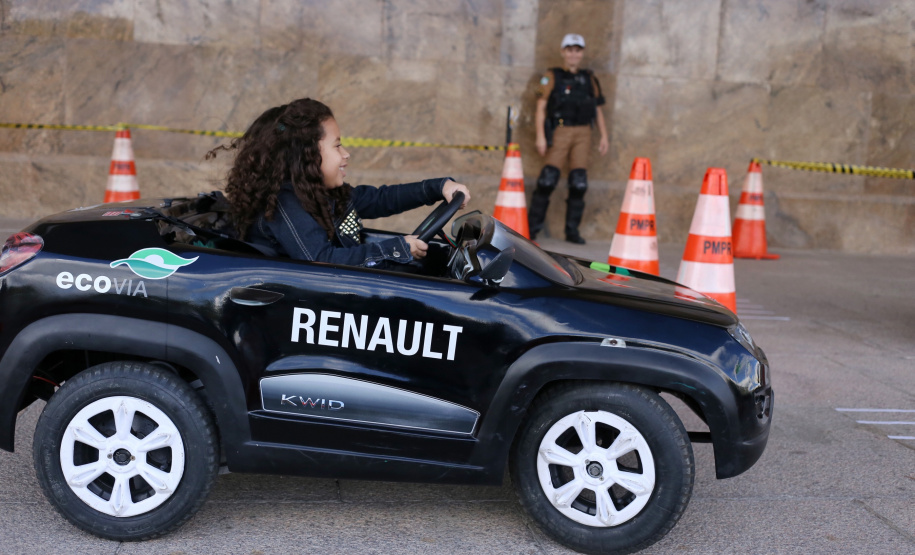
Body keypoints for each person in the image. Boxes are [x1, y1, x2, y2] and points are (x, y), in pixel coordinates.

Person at [207, 98, 470, 269]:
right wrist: (396, 248)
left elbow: (380, 199)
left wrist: (438, 187)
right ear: (307, 156)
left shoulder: (323, 194)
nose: (346, 154)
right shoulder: (283, 204)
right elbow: (321, 260)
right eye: (337, 145)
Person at [529, 33, 608, 244]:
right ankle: (531, 228)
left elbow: (597, 109)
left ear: (582, 53)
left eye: (577, 50)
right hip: (560, 132)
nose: (574, 54)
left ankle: (572, 231)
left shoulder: (589, 78)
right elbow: (541, 107)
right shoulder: (552, 75)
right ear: (563, 52)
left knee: (579, 183)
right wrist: (540, 136)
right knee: (547, 180)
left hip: (583, 133)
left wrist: (604, 136)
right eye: (570, 49)